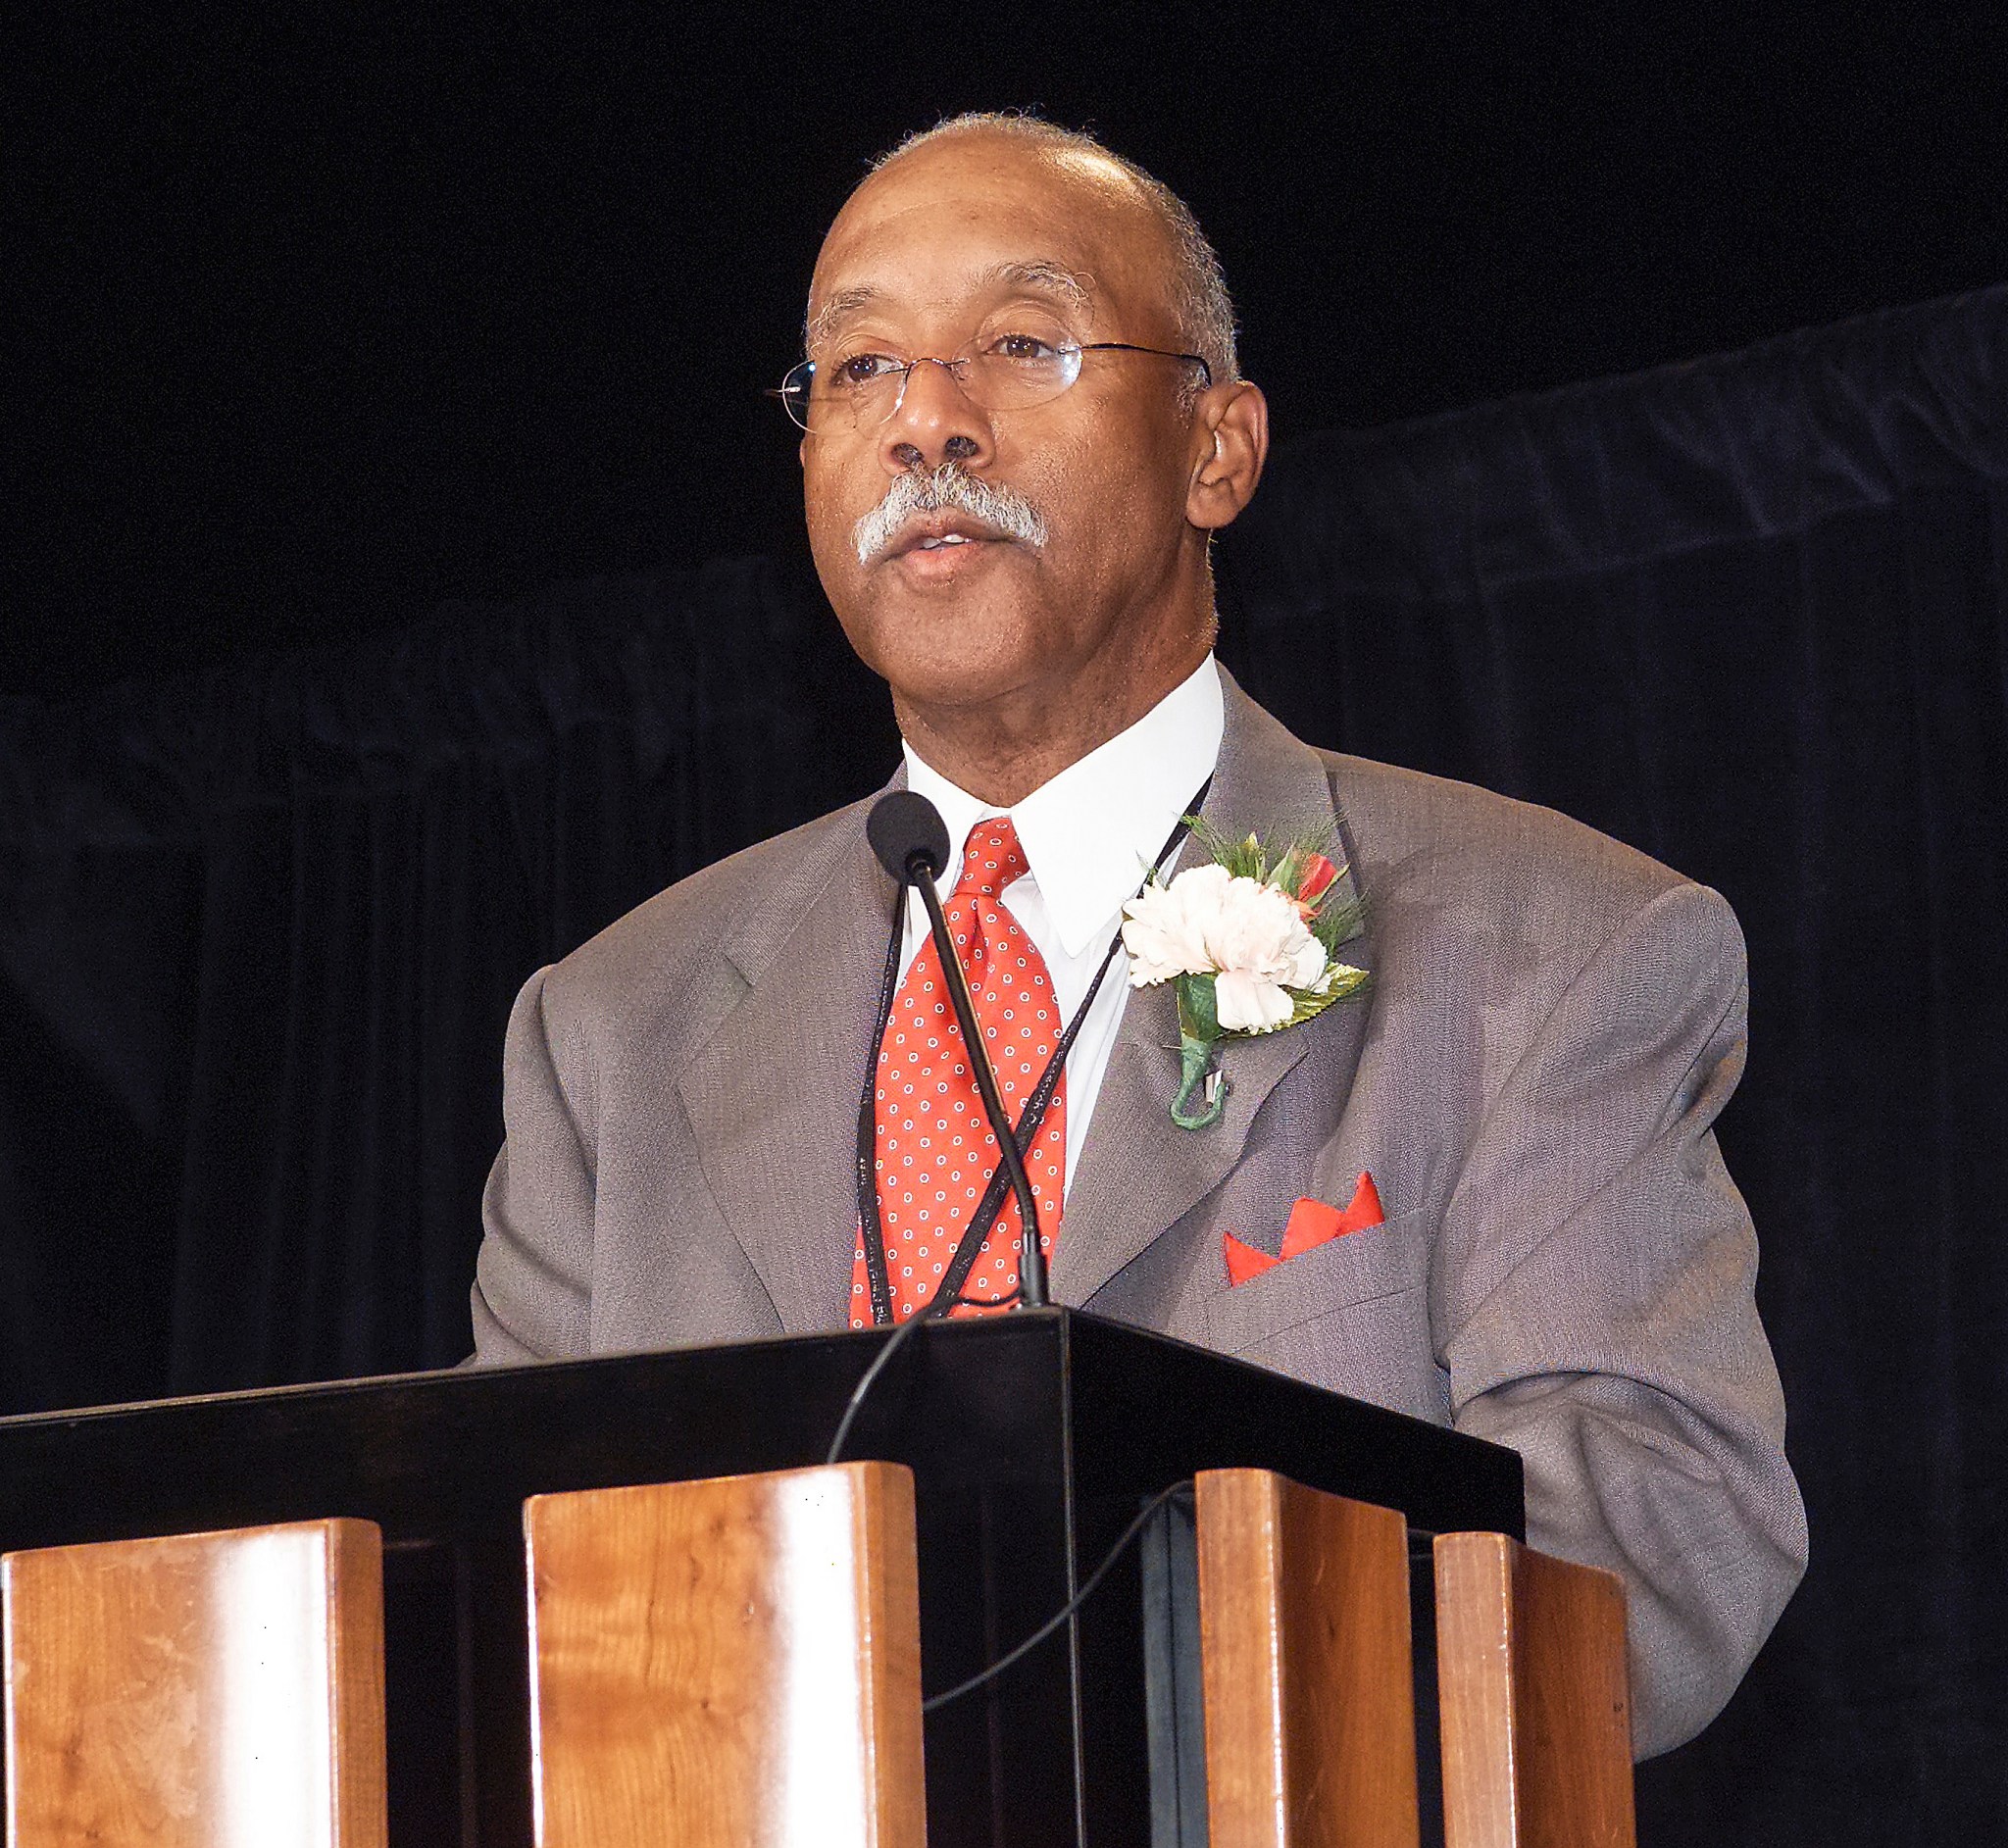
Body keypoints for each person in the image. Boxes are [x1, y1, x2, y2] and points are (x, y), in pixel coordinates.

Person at [469, 112, 1806, 1757]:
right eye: (861, 369)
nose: (925, 424)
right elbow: (501, 1607)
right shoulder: (611, 1030)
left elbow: (1649, 1559)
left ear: (1217, 450)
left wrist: (1158, 1681)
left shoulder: (1550, 950)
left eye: (1021, 344)